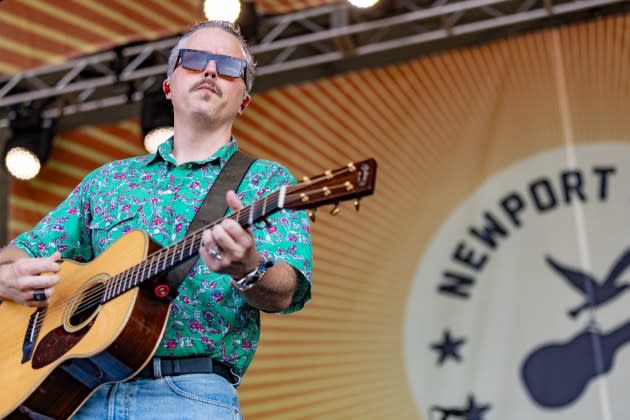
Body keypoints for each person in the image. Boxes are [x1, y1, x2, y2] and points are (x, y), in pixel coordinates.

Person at [0, 20, 312, 419]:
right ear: (168, 86)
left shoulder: (268, 182)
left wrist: (248, 267)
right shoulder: (108, 180)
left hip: (190, 396)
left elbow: (285, 291)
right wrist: (6, 278)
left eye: (229, 67)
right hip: (78, 395)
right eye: (195, 60)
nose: (210, 71)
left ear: (244, 100)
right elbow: (19, 254)